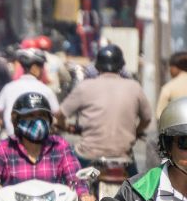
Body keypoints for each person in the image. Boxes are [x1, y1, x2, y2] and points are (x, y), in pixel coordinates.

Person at [0, 92, 94, 201]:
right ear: (16, 120)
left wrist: (83, 194)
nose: (37, 121)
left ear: (49, 119)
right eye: (30, 116)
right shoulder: (3, 149)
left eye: (42, 116)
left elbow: (75, 177)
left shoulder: (59, 146)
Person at [55, 44, 151, 176]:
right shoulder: (134, 87)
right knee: (136, 191)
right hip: (123, 155)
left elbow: (60, 114)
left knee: (70, 179)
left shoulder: (85, 86)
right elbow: (147, 118)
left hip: (88, 155)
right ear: (121, 65)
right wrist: (136, 132)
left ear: (97, 66)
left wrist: (63, 126)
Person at [0, 48, 60, 137]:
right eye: (42, 68)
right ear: (35, 68)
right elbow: (58, 114)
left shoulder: (8, 87)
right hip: (37, 142)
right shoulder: (46, 90)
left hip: (11, 137)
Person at [155, 51, 187, 118]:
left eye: (170, 67)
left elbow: (159, 114)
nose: (169, 70)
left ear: (175, 67)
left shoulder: (169, 87)